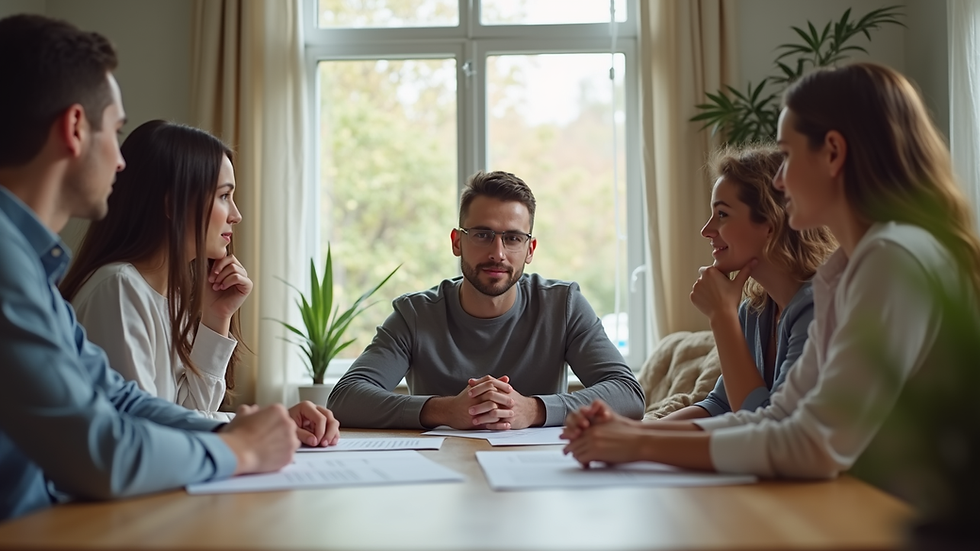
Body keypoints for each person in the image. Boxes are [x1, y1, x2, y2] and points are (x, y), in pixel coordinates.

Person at [562, 62, 980, 479]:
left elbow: (813, 445)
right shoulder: (844, 272)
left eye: (787, 155)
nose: (779, 181)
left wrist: (638, 443)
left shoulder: (893, 259)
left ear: (833, 153)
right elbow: (777, 417)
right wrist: (629, 435)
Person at [0, 14, 335, 521]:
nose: (120, 161)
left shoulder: (31, 272)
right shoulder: (21, 270)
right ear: (73, 129)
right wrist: (239, 450)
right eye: (114, 131)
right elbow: (104, 451)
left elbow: (123, 401)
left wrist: (236, 431)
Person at [328, 171, 645, 430]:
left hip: (538, 477)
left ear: (530, 249)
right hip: (437, 477)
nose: (498, 253)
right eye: (482, 234)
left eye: (512, 238)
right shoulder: (415, 314)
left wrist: (532, 410)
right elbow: (345, 398)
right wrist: (445, 410)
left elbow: (628, 394)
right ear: (457, 242)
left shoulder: (563, 305)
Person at [61, 120, 246, 420]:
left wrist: (217, 317)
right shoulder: (119, 289)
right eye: (224, 196)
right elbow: (149, 431)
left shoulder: (170, 298)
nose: (236, 216)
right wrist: (257, 425)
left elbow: (190, 415)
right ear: (173, 205)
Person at [661, 145, 836, 421]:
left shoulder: (819, 309)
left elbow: (772, 428)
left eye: (722, 214)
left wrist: (721, 316)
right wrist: (634, 431)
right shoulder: (754, 312)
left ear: (770, 223)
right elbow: (719, 405)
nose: (706, 230)